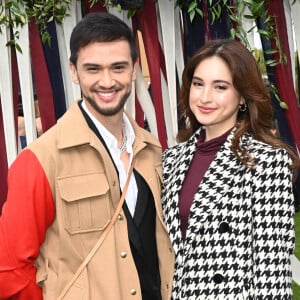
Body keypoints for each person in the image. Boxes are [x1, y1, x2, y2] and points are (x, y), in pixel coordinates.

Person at [0, 12, 174, 300]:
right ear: (73, 71)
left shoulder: (153, 150)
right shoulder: (41, 159)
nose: (107, 82)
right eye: (93, 69)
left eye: (118, 67)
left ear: (134, 69)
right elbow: (9, 271)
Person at [161, 39, 299, 299]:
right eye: (198, 84)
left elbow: (273, 274)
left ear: (243, 96)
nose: (204, 97)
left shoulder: (267, 162)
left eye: (220, 87)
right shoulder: (171, 159)